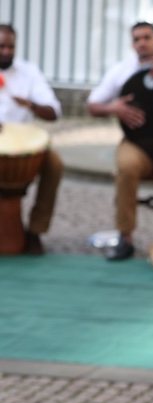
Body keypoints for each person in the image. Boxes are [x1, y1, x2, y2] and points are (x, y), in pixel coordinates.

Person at [87, 21, 153, 261]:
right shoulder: (121, 70)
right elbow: (93, 105)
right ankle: (125, 238)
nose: (142, 42)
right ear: (132, 44)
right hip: (138, 146)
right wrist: (113, 107)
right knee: (125, 167)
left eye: (147, 37)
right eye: (137, 39)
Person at [0, 23, 63, 255]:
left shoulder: (28, 72)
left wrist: (32, 105)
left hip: (23, 146)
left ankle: (36, 231)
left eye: (11, 47)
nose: (6, 51)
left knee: (55, 164)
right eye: (1, 46)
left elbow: (54, 112)